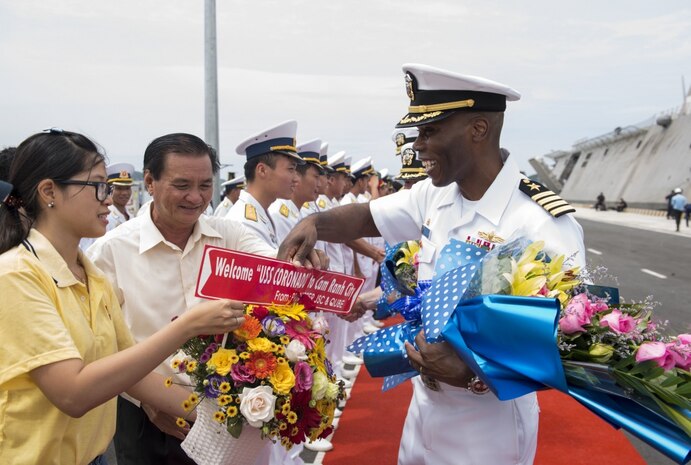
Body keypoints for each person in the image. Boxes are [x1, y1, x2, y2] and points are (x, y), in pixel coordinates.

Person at [278, 64, 585, 465]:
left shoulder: (540, 221)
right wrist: (313, 223)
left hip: (488, 429)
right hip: (423, 411)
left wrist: (471, 373)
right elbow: (366, 216)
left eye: (430, 131)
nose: (417, 146)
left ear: (479, 129)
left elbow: (567, 347)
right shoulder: (433, 196)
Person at [0, 129, 248, 465]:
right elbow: (73, 393)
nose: (109, 197)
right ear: (49, 192)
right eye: (98, 186)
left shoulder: (92, 276)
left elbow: (137, 374)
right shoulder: (17, 276)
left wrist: (237, 416)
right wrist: (186, 327)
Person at [86, 133, 278, 465]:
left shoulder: (230, 236)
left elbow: (278, 271)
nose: (195, 197)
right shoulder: (111, 251)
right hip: (153, 419)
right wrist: (148, 401)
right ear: (150, 181)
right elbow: (102, 345)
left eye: (205, 185)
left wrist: (303, 260)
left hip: (230, 411)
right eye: (181, 185)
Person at [226, 120, 303, 250]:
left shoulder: (261, 214)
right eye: (291, 169)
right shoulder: (244, 223)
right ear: (262, 170)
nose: (296, 179)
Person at [269, 138, 324, 243]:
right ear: (298, 177)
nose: (319, 184)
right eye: (316, 177)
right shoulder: (279, 215)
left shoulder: (299, 213)